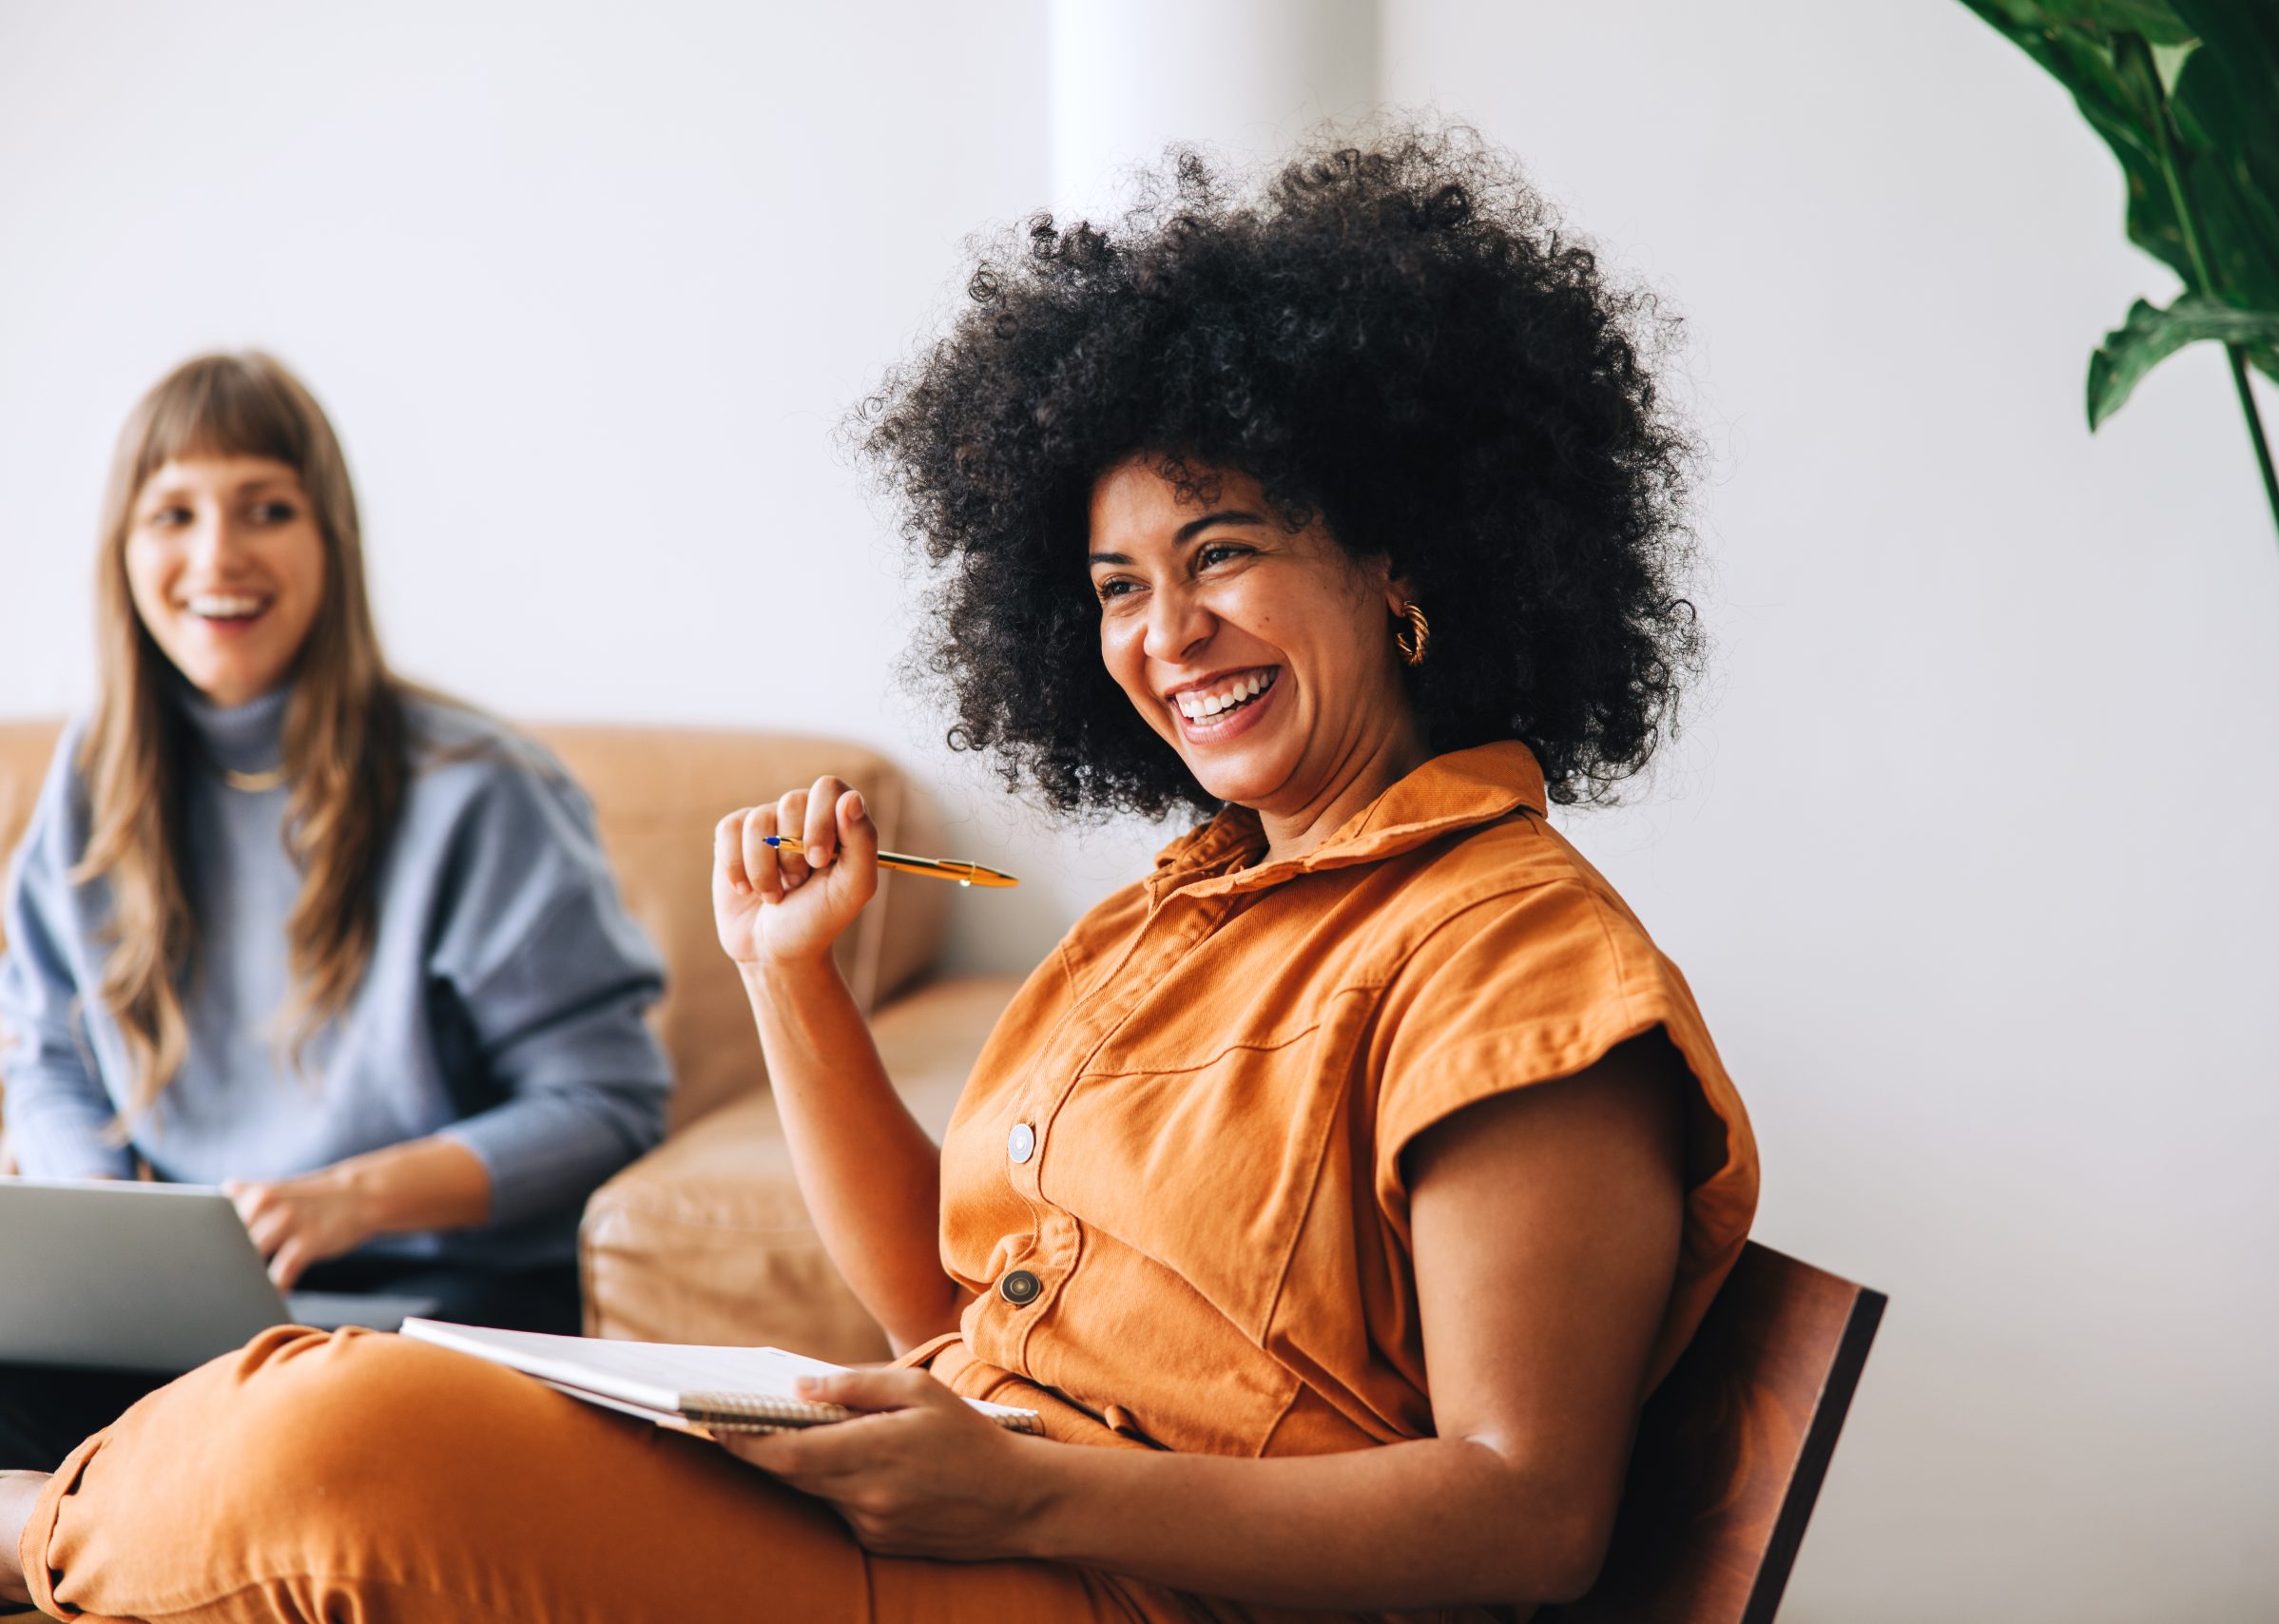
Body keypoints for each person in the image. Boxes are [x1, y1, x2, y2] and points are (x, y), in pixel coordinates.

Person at [1, 132, 1757, 1622]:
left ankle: (27, 1528)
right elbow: (943, 1297)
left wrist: (1025, 1502)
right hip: (968, 1510)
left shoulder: (1518, 957)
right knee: (341, 1403)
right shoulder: (1187, 908)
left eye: (1224, 553)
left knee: (334, 1442)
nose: (1166, 632)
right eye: (1119, 584)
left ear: (1407, 564)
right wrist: (790, 978)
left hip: (1100, 1581)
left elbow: (1529, 1513)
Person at [0, 353, 673, 1467]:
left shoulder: (478, 788)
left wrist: (348, 1199)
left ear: (332, 543)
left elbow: (606, 1103)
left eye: (266, 508)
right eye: (174, 513)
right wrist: (113, 1240)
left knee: (291, 1455)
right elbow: (45, 1052)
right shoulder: (88, 783)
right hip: (162, 1336)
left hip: (408, 1328)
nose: (218, 556)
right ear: (125, 551)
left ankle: (51, 1535)